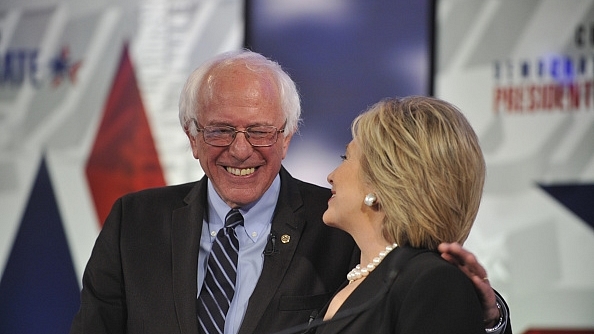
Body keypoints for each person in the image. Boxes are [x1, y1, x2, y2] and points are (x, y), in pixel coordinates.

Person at [70, 50, 510, 334]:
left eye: (259, 131)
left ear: (287, 135)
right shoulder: (135, 222)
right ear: (192, 136)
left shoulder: (340, 229)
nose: (240, 149)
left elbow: (425, 304)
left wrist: (489, 319)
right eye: (221, 130)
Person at [293, 96, 510, 333]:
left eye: (346, 158)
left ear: (384, 179)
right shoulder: (359, 279)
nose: (331, 175)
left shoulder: (430, 280)